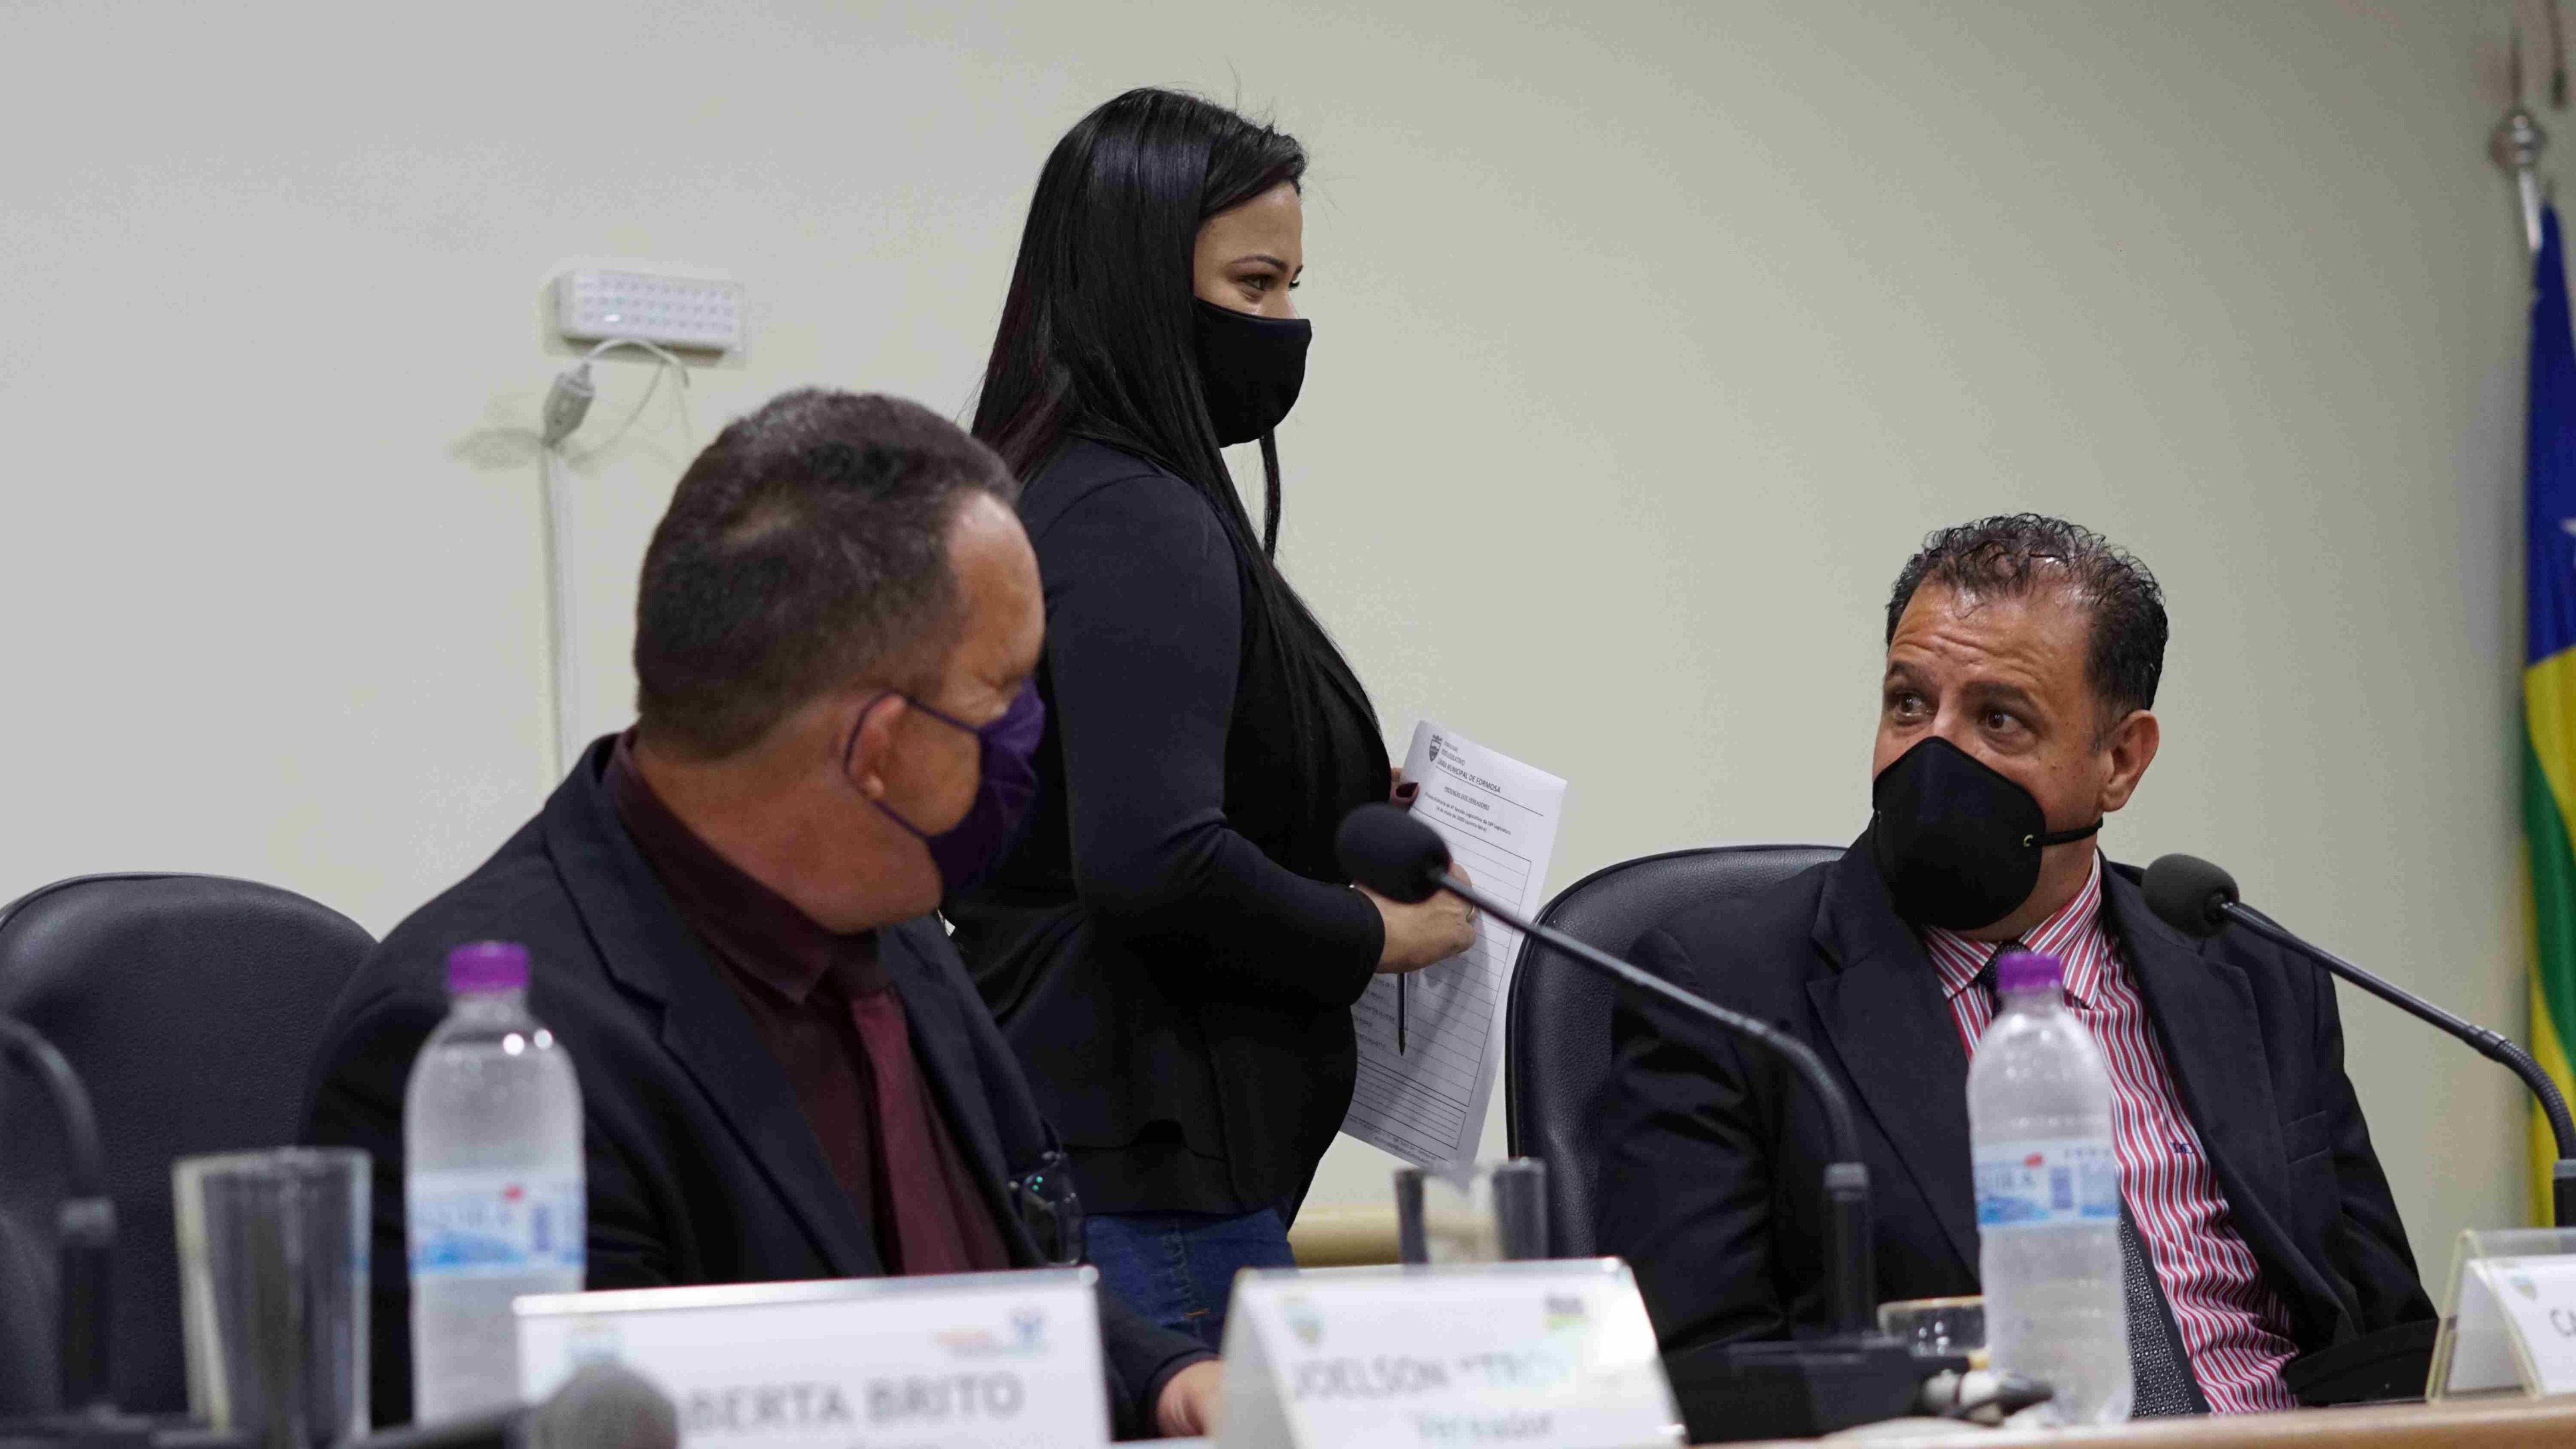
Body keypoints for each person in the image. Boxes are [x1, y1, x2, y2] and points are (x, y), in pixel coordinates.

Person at [303, 390, 1220, 1438]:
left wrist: (1167, 1377)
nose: (1032, 731)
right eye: (1004, 693)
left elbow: (1003, 1278)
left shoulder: (890, 916)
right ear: (878, 748)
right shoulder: (479, 1049)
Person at [1595, 514, 2433, 1416]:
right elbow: (1707, 1383)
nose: (1934, 753)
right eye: (1909, 704)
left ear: (2121, 761)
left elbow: (2389, 1339)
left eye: (1998, 718)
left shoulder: (2254, 972)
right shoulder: (1721, 991)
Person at [951, 87, 1476, 1347]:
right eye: (1253, 285)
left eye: (1292, 285)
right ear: (1143, 286)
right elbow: (1153, 859)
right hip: (1157, 1177)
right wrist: (1381, 933)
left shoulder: (1042, 485)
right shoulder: (1138, 513)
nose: (1285, 325)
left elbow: (1101, 786)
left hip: (1078, 1150)